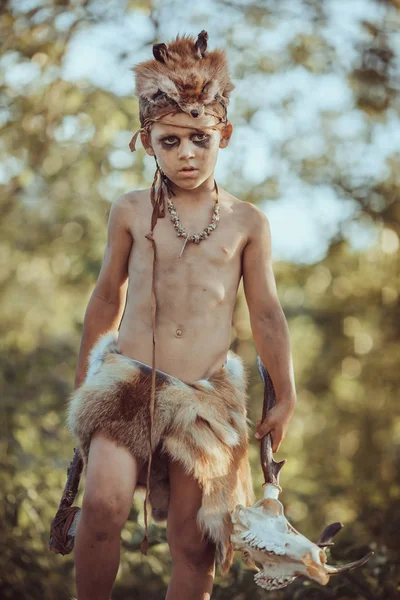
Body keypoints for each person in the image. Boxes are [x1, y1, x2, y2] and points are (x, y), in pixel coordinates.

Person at [67, 30, 297, 600]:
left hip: (203, 397)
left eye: (199, 138)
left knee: (195, 541)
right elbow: (105, 297)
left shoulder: (248, 223)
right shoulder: (129, 211)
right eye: (170, 142)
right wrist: (84, 378)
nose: (187, 154)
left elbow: (266, 312)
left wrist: (285, 393)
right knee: (102, 505)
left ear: (225, 134)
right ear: (147, 142)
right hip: (128, 384)